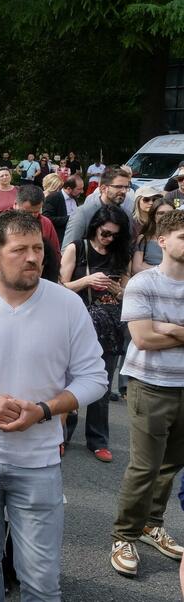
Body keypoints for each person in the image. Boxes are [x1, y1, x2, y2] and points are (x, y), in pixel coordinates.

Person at [0, 210, 108, 601]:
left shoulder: (66, 305)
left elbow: (95, 378)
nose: (32, 258)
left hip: (40, 462)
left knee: (42, 578)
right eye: (20, 250)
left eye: (37, 249)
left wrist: (44, 410)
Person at [110, 210, 184, 578]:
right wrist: (166, 331)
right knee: (144, 466)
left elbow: (157, 333)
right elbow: (142, 338)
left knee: (171, 465)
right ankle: (124, 535)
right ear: (163, 241)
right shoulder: (143, 284)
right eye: (183, 237)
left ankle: (152, 524)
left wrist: (169, 328)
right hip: (150, 385)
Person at [59, 205, 132, 462]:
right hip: (78, 322)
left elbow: (127, 293)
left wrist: (116, 289)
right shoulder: (77, 248)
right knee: (70, 381)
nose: (109, 239)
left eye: (114, 235)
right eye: (105, 233)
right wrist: (86, 281)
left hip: (109, 326)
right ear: (95, 227)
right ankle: (62, 436)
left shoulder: (121, 253)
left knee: (101, 382)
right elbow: (60, 287)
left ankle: (98, 440)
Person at [62, 167, 131, 248]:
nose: (124, 191)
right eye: (119, 186)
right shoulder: (83, 213)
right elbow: (68, 250)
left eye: (126, 187)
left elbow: (128, 247)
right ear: (103, 188)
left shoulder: (126, 215)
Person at [133, 200, 174, 274]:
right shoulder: (143, 239)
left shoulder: (180, 239)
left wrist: (147, 266)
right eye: (161, 213)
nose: (165, 216)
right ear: (153, 216)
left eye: (170, 213)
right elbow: (136, 268)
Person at [43, 175, 83, 243]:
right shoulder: (53, 197)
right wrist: (70, 219)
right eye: (79, 189)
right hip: (60, 241)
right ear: (69, 189)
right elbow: (47, 218)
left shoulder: (74, 197)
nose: (82, 191)